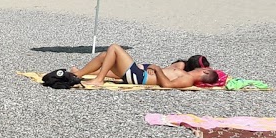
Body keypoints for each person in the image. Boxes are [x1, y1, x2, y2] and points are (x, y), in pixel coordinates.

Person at [69, 44, 222, 89]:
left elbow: (167, 85)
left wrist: (157, 69)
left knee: (114, 48)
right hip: (139, 74)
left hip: (139, 77)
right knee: (104, 56)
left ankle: (99, 80)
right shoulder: (184, 73)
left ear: (205, 71)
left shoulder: (187, 79)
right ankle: (79, 74)